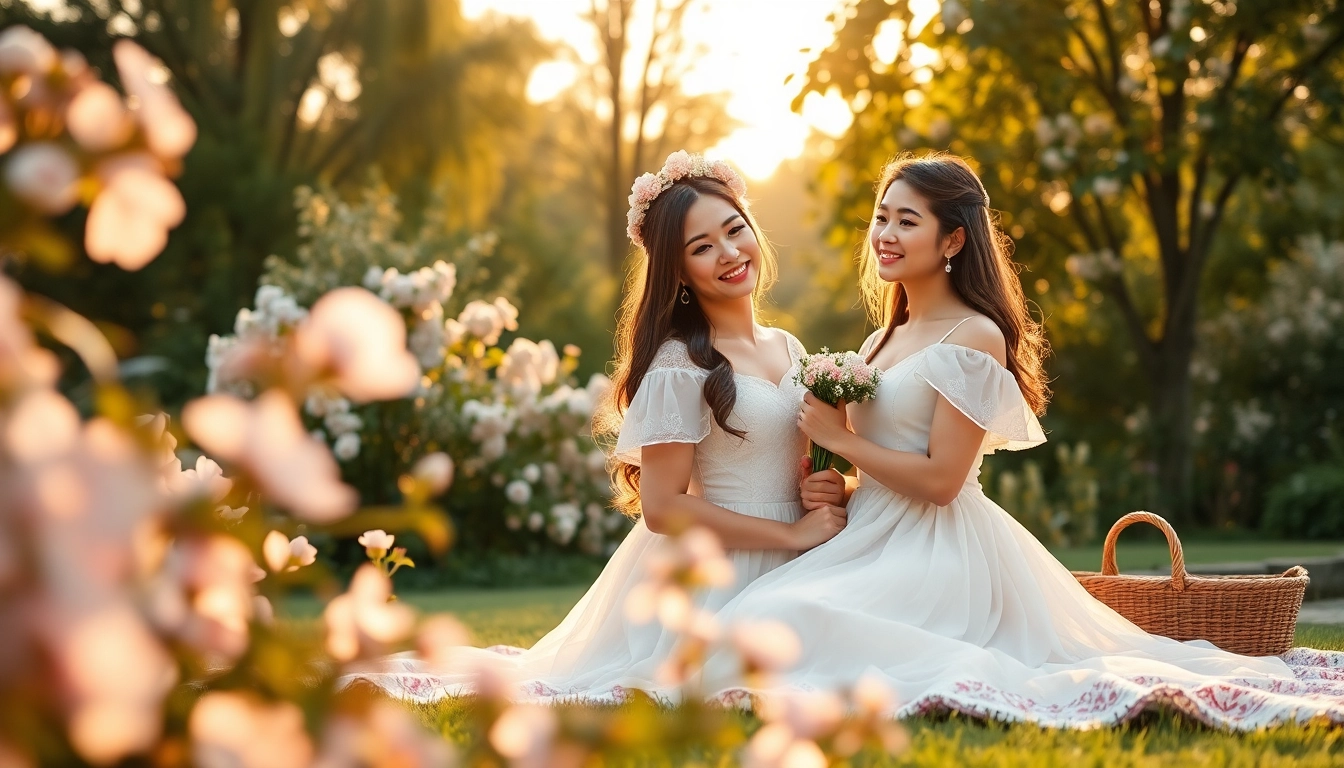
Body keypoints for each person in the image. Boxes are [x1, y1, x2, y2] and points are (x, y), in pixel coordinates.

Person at [697, 153, 1342, 730]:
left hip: (933, 545)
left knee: (791, 620)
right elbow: (884, 464)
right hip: (869, 534)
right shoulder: (878, 342)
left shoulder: (974, 336)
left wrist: (844, 440)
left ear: (952, 239)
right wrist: (842, 480)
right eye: (882, 217)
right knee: (759, 622)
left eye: (907, 222)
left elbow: (944, 480)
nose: (886, 236)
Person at [341, 151, 847, 704]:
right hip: (722, 567)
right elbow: (662, 506)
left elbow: (790, 456)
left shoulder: (790, 348)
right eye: (702, 248)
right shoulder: (682, 364)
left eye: (734, 230)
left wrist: (819, 487)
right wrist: (787, 534)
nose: (728, 253)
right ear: (676, 273)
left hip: (803, 556)